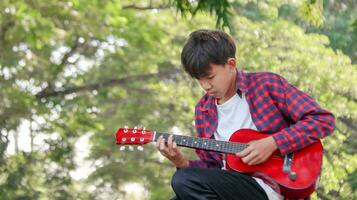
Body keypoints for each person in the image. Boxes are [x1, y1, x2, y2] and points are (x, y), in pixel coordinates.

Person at [155, 29, 335, 200]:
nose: (205, 86)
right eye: (199, 80)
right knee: (181, 188)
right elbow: (212, 169)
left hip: (272, 189)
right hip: (230, 187)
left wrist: (273, 143)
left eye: (210, 77)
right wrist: (181, 161)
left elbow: (322, 120)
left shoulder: (265, 85)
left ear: (231, 64)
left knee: (183, 180)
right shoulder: (203, 111)